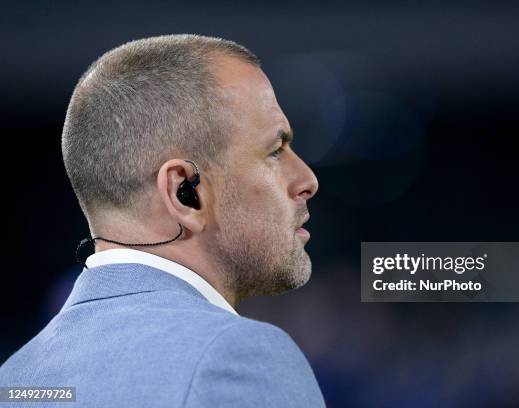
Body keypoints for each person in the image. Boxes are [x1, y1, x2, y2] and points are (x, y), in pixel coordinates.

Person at [0, 34, 324, 407]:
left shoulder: (14, 378)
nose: (307, 180)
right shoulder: (237, 356)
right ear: (185, 191)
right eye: (275, 151)